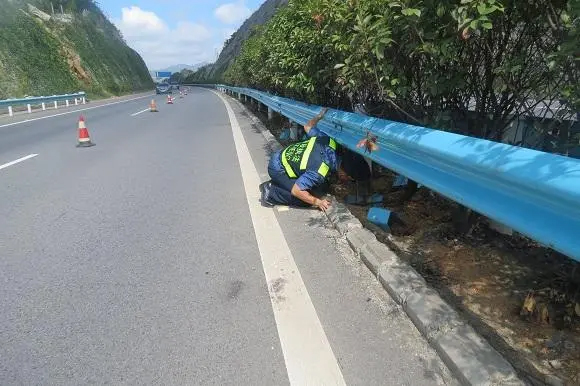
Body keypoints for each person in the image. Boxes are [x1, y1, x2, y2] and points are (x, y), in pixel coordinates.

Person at [260, 107, 371, 210]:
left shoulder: (328, 141)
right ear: (344, 175)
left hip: (283, 155)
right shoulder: (319, 171)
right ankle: (271, 191)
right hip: (278, 169)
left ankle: (280, 184)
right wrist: (318, 202)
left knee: (322, 187)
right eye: (349, 179)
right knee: (305, 200)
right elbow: (297, 190)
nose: (346, 181)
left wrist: (320, 116)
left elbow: (308, 126)